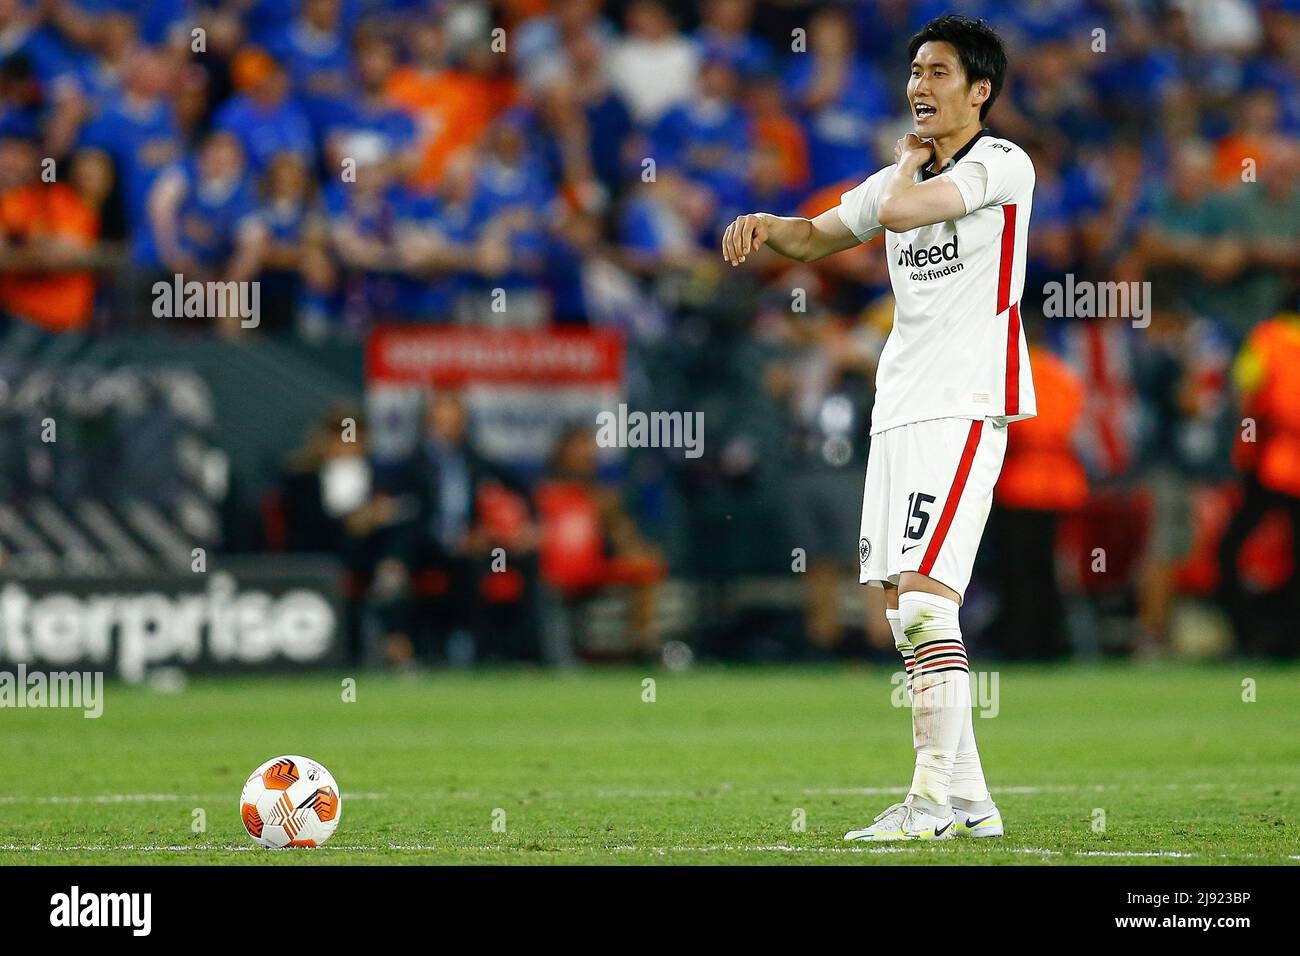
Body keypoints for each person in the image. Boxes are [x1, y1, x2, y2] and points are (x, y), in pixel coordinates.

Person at [723, 15, 1034, 841]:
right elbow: (817, 236)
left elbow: (899, 212)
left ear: (980, 91)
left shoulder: (1002, 163)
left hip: (964, 403)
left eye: (938, 73)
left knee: (930, 607)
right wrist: (766, 223)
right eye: (914, 72)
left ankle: (928, 804)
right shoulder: (898, 177)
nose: (919, 87)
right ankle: (970, 804)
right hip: (898, 411)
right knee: (905, 610)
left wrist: (899, 165)